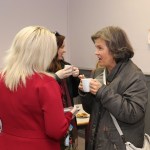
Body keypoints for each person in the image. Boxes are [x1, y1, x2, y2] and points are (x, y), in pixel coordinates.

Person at [0, 26, 78, 150]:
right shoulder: (46, 83)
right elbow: (56, 131)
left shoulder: (3, 78)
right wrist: (69, 116)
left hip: (6, 143)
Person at [78, 26, 148, 150]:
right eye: (96, 47)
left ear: (115, 49)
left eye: (100, 48)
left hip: (119, 144)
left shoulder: (135, 76)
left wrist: (102, 91)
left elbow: (133, 114)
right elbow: (90, 109)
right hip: (97, 141)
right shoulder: (98, 72)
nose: (96, 52)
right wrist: (85, 92)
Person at [48, 32, 80, 150]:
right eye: (61, 47)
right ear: (52, 48)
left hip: (69, 115)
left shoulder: (66, 65)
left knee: (71, 144)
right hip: (54, 118)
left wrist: (77, 77)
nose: (64, 50)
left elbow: (75, 93)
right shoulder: (42, 69)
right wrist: (54, 77)